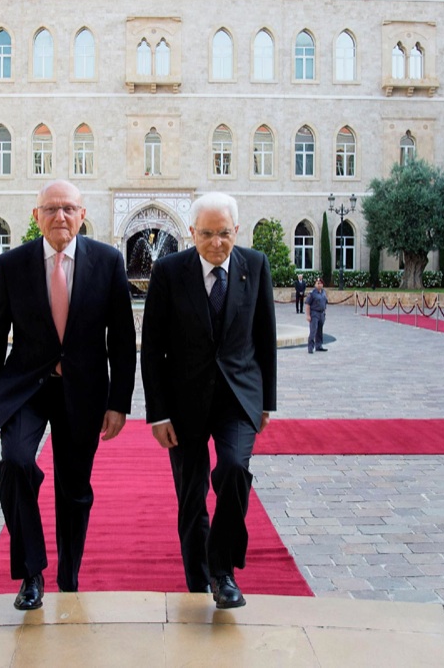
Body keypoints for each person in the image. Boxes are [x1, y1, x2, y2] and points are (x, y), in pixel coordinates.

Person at [0, 180, 136, 611]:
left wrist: (119, 402)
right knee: (17, 464)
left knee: (75, 487)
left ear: (82, 215)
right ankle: (31, 572)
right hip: (26, 386)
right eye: (51, 209)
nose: (60, 216)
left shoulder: (108, 261)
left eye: (68, 208)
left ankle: (69, 575)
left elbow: (122, 339)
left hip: (83, 389)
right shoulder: (13, 264)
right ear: (36, 216)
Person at [141, 192, 277, 609]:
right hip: (184, 404)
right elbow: (152, 349)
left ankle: (223, 572)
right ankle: (198, 582)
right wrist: (158, 413)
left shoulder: (254, 266)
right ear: (191, 232)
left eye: (223, 234)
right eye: (206, 234)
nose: (216, 243)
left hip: (238, 397)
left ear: (236, 231)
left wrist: (266, 402)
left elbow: (265, 337)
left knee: (235, 470)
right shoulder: (168, 272)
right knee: (192, 494)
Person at [305, 278, 327, 352]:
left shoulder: (323, 292)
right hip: (314, 313)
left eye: (320, 283)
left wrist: (324, 313)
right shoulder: (312, 293)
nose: (319, 284)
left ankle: (319, 345)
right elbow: (307, 304)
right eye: (317, 283)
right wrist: (308, 315)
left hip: (321, 313)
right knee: (313, 330)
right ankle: (310, 347)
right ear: (315, 284)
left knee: (320, 330)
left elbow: (324, 302)